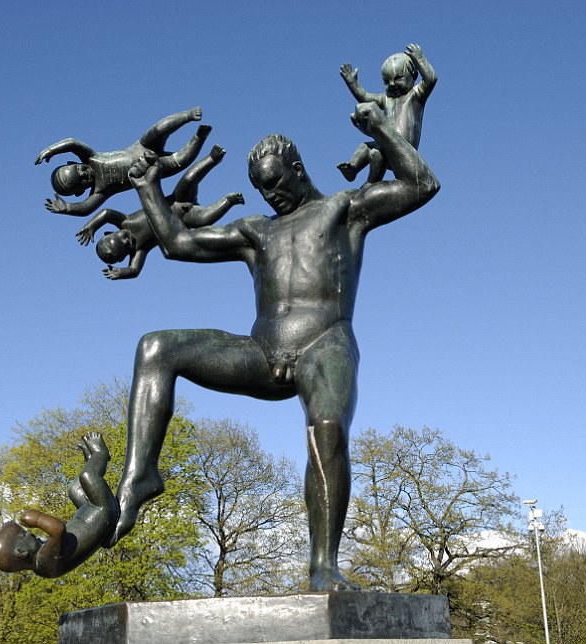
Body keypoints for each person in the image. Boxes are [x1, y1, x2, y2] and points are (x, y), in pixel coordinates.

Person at [114, 101, 439, 591]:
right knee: (155, 348)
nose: (270, 194)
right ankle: (140, 475)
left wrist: (379, 128)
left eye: (275, 182)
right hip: (260, 352)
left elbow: (422, 185)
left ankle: (323, 566)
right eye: (261, 188)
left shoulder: (343, 210)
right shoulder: (256, 230)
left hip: (324, 343)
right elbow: (178, 244)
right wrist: (147, 187)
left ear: (297, 169)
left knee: (327, 428)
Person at [73, 145, 244, 280]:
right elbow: (134, 270)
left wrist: (91, 226)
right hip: (185, 220)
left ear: (111, 232)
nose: (128, 240)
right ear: (123, 256)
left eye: (122, 237)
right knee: (206, 217)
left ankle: (212, 158)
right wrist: (121, 273)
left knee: (189, 179)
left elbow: (106, 213)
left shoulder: (125, 221)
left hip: (176, 201)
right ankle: (230, 200)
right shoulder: (140, 249)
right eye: (126, 246)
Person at [34, 107, 210, 218]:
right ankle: (200, 136)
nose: (83, 174)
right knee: (180, 160)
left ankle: (187, 116)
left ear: (74, 161)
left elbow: (72, 143)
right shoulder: (100, 191)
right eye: (80, 181)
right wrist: (68, 208)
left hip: (141, 147)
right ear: (80, 191)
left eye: (78, 169)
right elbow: (86, 209)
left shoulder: (91, 158)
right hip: (151, 169)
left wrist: (51, 150)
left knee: (158, 130)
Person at [0, 433, 118, 578]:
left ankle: (92, 462)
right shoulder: (45, 561)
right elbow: (58, 529)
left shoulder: (42, 563)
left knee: (74, 490)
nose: (30, 533)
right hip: (102, 510)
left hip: (87, 511)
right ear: (21, 552)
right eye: (24, 534)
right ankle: (101, 454)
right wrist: (35, 519)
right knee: (87, 477)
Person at [337, 43, 436, 184]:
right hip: (386, 144)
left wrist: (420, 60)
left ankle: (370, 184)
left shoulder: (415, 96)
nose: (392, 84)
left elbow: (431, 80)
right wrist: (352, 83)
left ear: (413, 75)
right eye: (387, 82)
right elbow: (364, 97)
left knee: (376, 153)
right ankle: (352, 168)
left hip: (403, 148)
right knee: (365, 146)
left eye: (398, 78)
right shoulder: (387, 99)